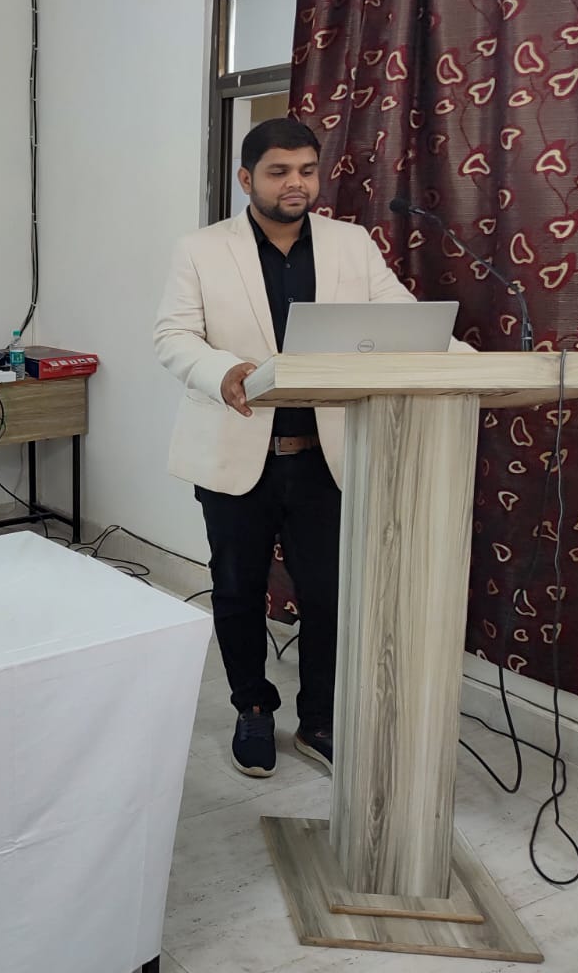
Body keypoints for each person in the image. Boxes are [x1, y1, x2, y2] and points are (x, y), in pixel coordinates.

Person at [153, 117, 460, 779]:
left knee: (329, 597)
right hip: (236, 455)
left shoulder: (351, 245)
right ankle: (252, 708)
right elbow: (173, 336)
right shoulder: (201, 249)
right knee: (237, 591)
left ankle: (318, 720)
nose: (296, 183)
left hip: (327, 458)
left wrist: (473, 363)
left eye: (307, 170)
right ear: (246, 179)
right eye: (279, 171)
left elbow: (406, 321)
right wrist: (222, 371)